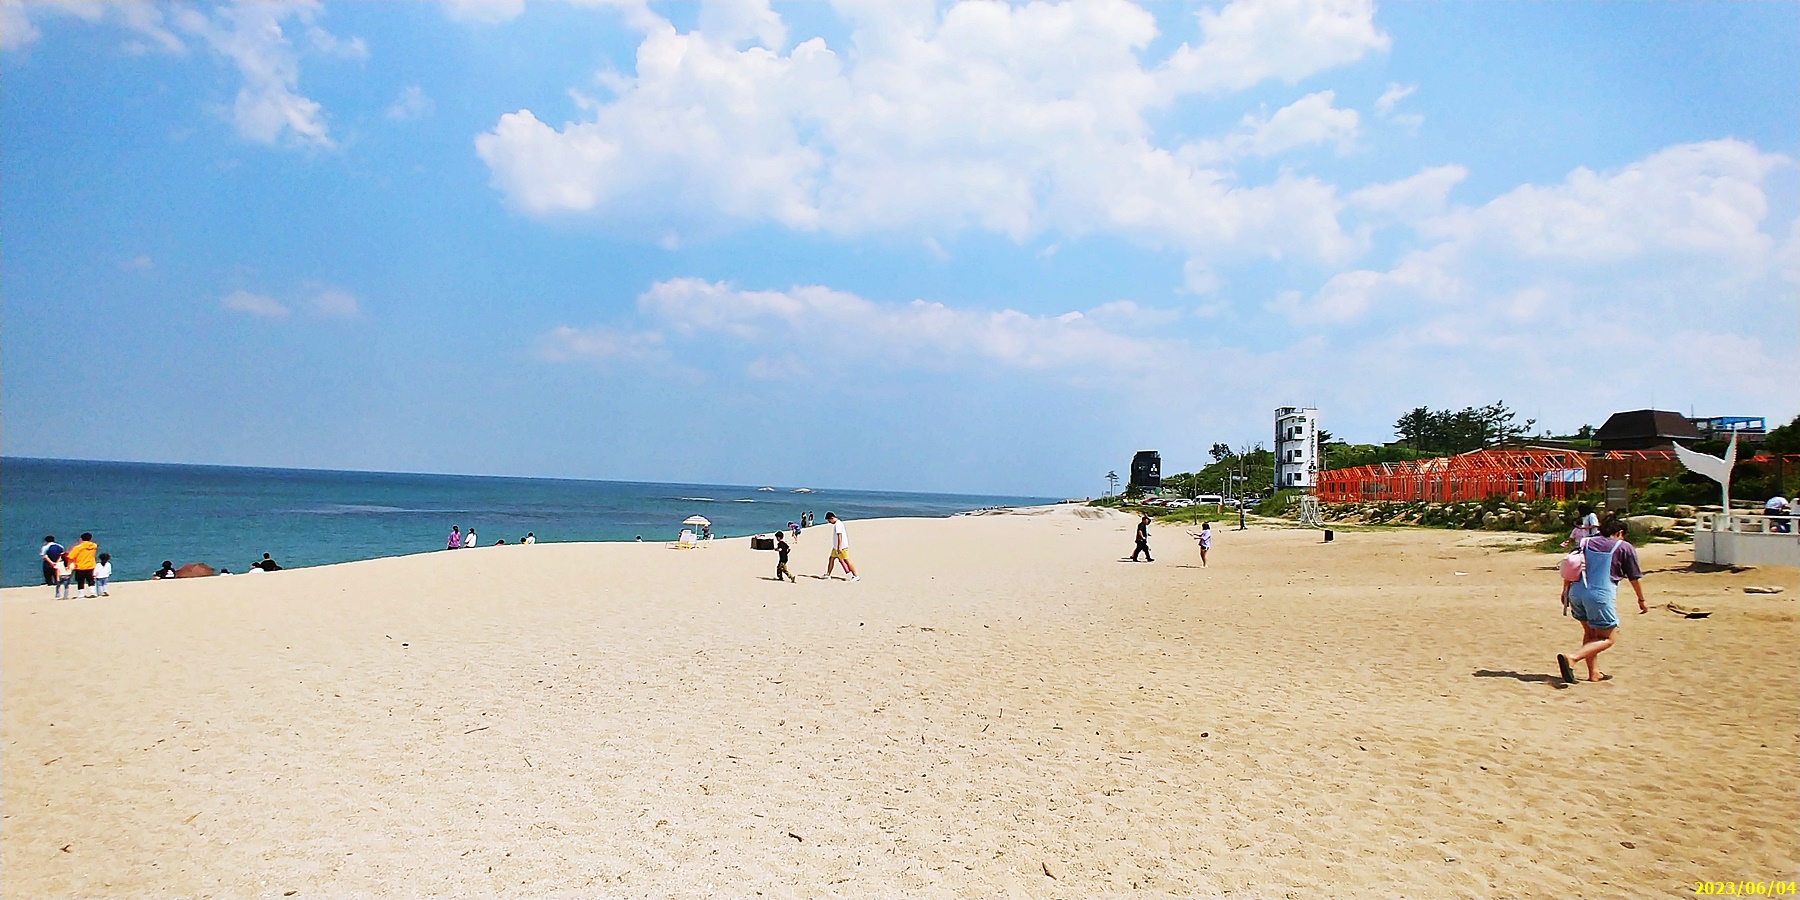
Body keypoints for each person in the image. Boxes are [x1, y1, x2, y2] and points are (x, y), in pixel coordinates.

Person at [1558, 518, 1648, 684]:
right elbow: (1634, 577)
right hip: (1599, 595)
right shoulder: (1624, 547)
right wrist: (1641, 599)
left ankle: (1594, 673)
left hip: (1576, 592)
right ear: (1620, 533)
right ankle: (1573, 658)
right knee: (1608, 638)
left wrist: (1565, 591)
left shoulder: (1584, 542)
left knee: (1590, 634)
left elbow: (1571, 566)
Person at [823, 512, 858, 581]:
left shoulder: (838, 525)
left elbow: (839, 536)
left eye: (829, 520)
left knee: (846, 561)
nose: (829, 522)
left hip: (842, 547)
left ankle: (855, 575)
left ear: (832, 518)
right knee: (831, 559)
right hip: (835, 547)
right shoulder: (837, 524)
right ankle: (828, 574)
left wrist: (839, 547)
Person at [68, 533, 99, 598]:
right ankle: (93, 592)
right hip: (90, 565)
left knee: (80, 581)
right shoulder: (94, 546)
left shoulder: (78, 548)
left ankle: (81, 594)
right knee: (91, 580)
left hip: (80, 566)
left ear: (81, 539)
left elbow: (71, 557)